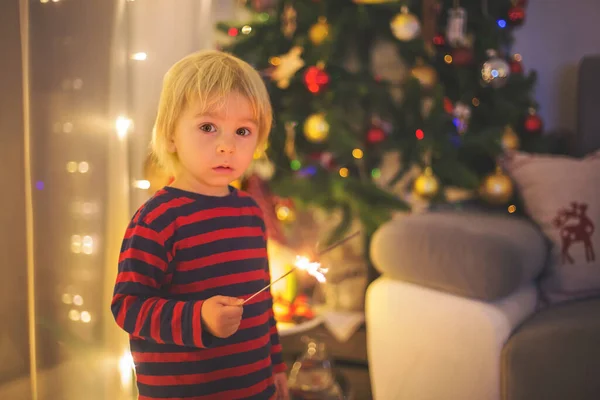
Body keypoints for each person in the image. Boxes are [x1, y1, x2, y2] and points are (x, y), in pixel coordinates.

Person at [111, 50, 289, 400]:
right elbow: (128, 306)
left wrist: (276, 366)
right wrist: (199, 319)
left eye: (242, 130)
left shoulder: (251, 214)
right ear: (172, 134)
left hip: (255, 389)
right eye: (208, 127)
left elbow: (262, 302)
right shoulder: (158, 218)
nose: (226, 146)